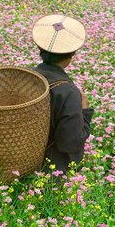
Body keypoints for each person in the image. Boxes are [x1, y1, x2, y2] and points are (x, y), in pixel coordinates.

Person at [31, 15, 94, 173]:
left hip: (19, 161)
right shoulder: (68, 92)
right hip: (48, 171)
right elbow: (70, 143)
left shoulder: (27, 77)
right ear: (70, 55)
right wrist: (85, 111)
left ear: (41, 50)